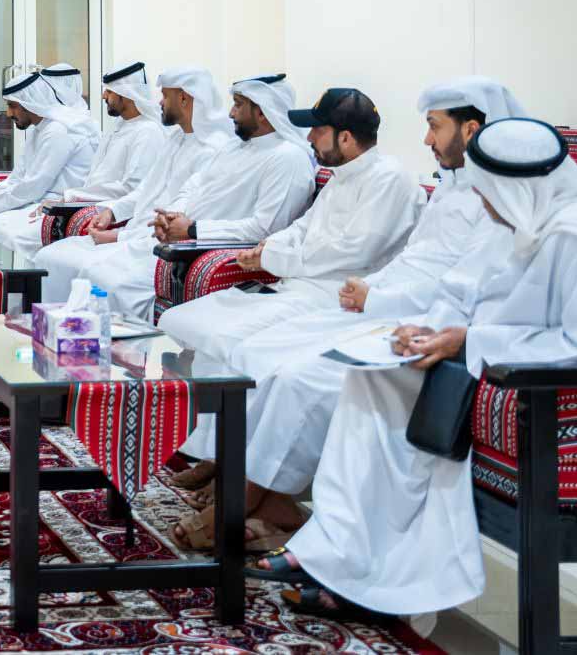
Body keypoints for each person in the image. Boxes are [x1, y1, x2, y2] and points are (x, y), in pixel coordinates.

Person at [258, 118, 577, 624]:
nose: (482, 201)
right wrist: (430, 331)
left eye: (486, 190)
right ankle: (338, 553)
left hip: (561, 382)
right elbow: (487, 297)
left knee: (393, 393)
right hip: (504, 356)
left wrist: (468, 341)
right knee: (372, 379)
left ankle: (368, 573)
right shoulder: (533, 220)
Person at [164, 77, 525, 552]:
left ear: (472, 129)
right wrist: (275, 252)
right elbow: (409, 260)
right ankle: (259, 495)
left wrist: (376, 297)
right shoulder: (452, 187)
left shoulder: (492, 199)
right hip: (381, 304)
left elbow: (461, 289)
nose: (425, 139)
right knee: (258, 354)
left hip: (408, 321)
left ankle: (243, 499)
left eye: (434, 126)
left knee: (292, 376)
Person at [156, 87, 426, 549]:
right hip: (299, 284)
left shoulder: (390, 180)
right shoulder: (341, 176)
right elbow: (303, 229)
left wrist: (274, 255)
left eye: (317, 130)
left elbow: (351, 253)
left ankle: (246, 489)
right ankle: (221, 458)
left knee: (252, 354)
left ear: (345, 138)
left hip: (332, 298)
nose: (310, 138)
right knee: (193, 326)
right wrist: (272, 249)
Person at [75, 73, 318, 321]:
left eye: (238, 105)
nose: (231, 113)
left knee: (113, 284)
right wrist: (173, 216)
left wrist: (193, 230)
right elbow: (193, 186)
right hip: (176, 241)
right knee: (94, 272)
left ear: (263, 112)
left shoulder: (287, 158)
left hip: (197, 250)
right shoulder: (234, 146)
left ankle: (131, 343)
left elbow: (265, 228)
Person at [30, 66, 235, 297]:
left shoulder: (212, 149)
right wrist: (112, 212)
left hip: (156, 245)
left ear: (184, 98)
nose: (160, 102)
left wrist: (119, 236)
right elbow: (146, 189)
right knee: (49, 257)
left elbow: (177, 218)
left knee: (95, 274)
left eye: (165, 96)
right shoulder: (177, 139)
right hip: (134, 233)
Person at [0, 65, 98, 254]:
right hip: (35, 199)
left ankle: (15, 273)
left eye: (13, 106)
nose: (8, 114)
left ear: (30, 104)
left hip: (56, 205)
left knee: (3, 229)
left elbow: (34, 185)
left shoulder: (59, 130)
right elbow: (20, 176)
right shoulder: (39, 129)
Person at [59, 61, 169, 203]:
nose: (104, 96)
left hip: (115, 210)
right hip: (91, 203)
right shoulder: (119, 126)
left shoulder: (148, 132)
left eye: (109, 91)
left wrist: (74, 196)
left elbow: (131, 188)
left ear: (127, 94)